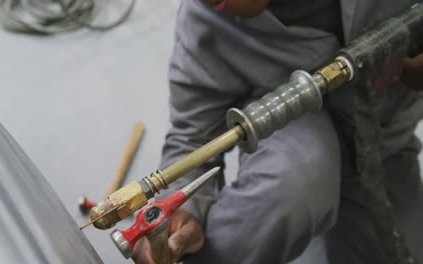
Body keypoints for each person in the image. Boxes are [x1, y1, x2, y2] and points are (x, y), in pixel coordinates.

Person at [132, 0, 423, 263]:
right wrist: (178, 216)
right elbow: (192, 139)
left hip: (384, 143)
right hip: (293, 143)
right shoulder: (203, 21)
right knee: (290, 185)